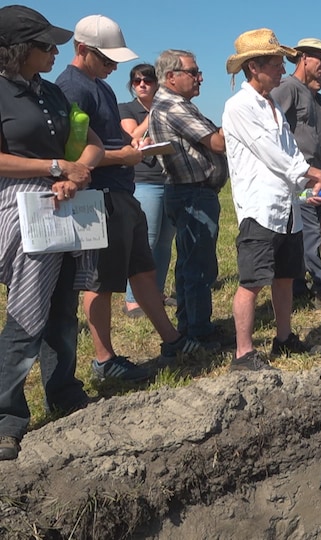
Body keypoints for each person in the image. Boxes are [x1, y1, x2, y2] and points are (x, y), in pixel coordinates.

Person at [57, 14, 211, 382]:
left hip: (122, 193)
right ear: (82, 50)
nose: (114, 66)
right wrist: (123, 156)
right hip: (98, 195)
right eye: (107, 59)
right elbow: (71, 151)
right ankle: (104, 359)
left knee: (143, 269)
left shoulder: (102, 87)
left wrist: (131, 148)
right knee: (99, 281)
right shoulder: (71, 88)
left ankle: (172, 340)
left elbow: (108, 140)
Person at [0, 5, 104, 461]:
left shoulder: (51, 93)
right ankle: (6, 417)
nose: (55, 50)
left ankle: (63, 391)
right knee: (26, 314)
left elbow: (95, 142)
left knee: (62, 307)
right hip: (20, 207)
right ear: (17, 50)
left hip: (63, 203)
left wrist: (79, 171)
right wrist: (53, 167)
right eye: (45, 44)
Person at [222, 28, 321, 370]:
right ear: (253, 66)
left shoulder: (271, 104)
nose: (282, 70)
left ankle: (284, 338)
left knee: (286, 276)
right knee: (252, 282)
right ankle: (243, 353)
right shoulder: (239, 107)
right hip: (259, 211)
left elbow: (289, 160)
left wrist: (305, 192)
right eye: (275, 64)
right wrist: (317, 175)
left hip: (286, 209)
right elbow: (272, 155)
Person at [149, 49, 228, 345]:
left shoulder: (176, 104)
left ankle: (191, 323)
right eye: (193, 72)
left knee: (188, 263)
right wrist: (237, 117)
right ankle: (199, 330)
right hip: (192, 194)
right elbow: (218, 143)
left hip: (189, 193)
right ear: (172, 77)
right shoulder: (174, 107)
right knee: (199, 266)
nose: (200, 78)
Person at [271, 38, 321, 311]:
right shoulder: (288, 88)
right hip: (299, 179)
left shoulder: (308, 93)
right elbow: (270, 126)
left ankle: (296, 286)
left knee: (304, 232)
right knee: (310, 234)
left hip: (311, 176)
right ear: (303, 57)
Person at [119, 63, 176, 318]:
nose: (142, 84)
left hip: (168, 178)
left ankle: (156, 292)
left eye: (148, 80)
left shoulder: (167, 109)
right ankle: (133, 299)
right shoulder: (127, 109)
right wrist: (155, 112)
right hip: (144, 181)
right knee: (146, 241)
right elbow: (132, 135)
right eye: (136, 81)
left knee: (165, 242)